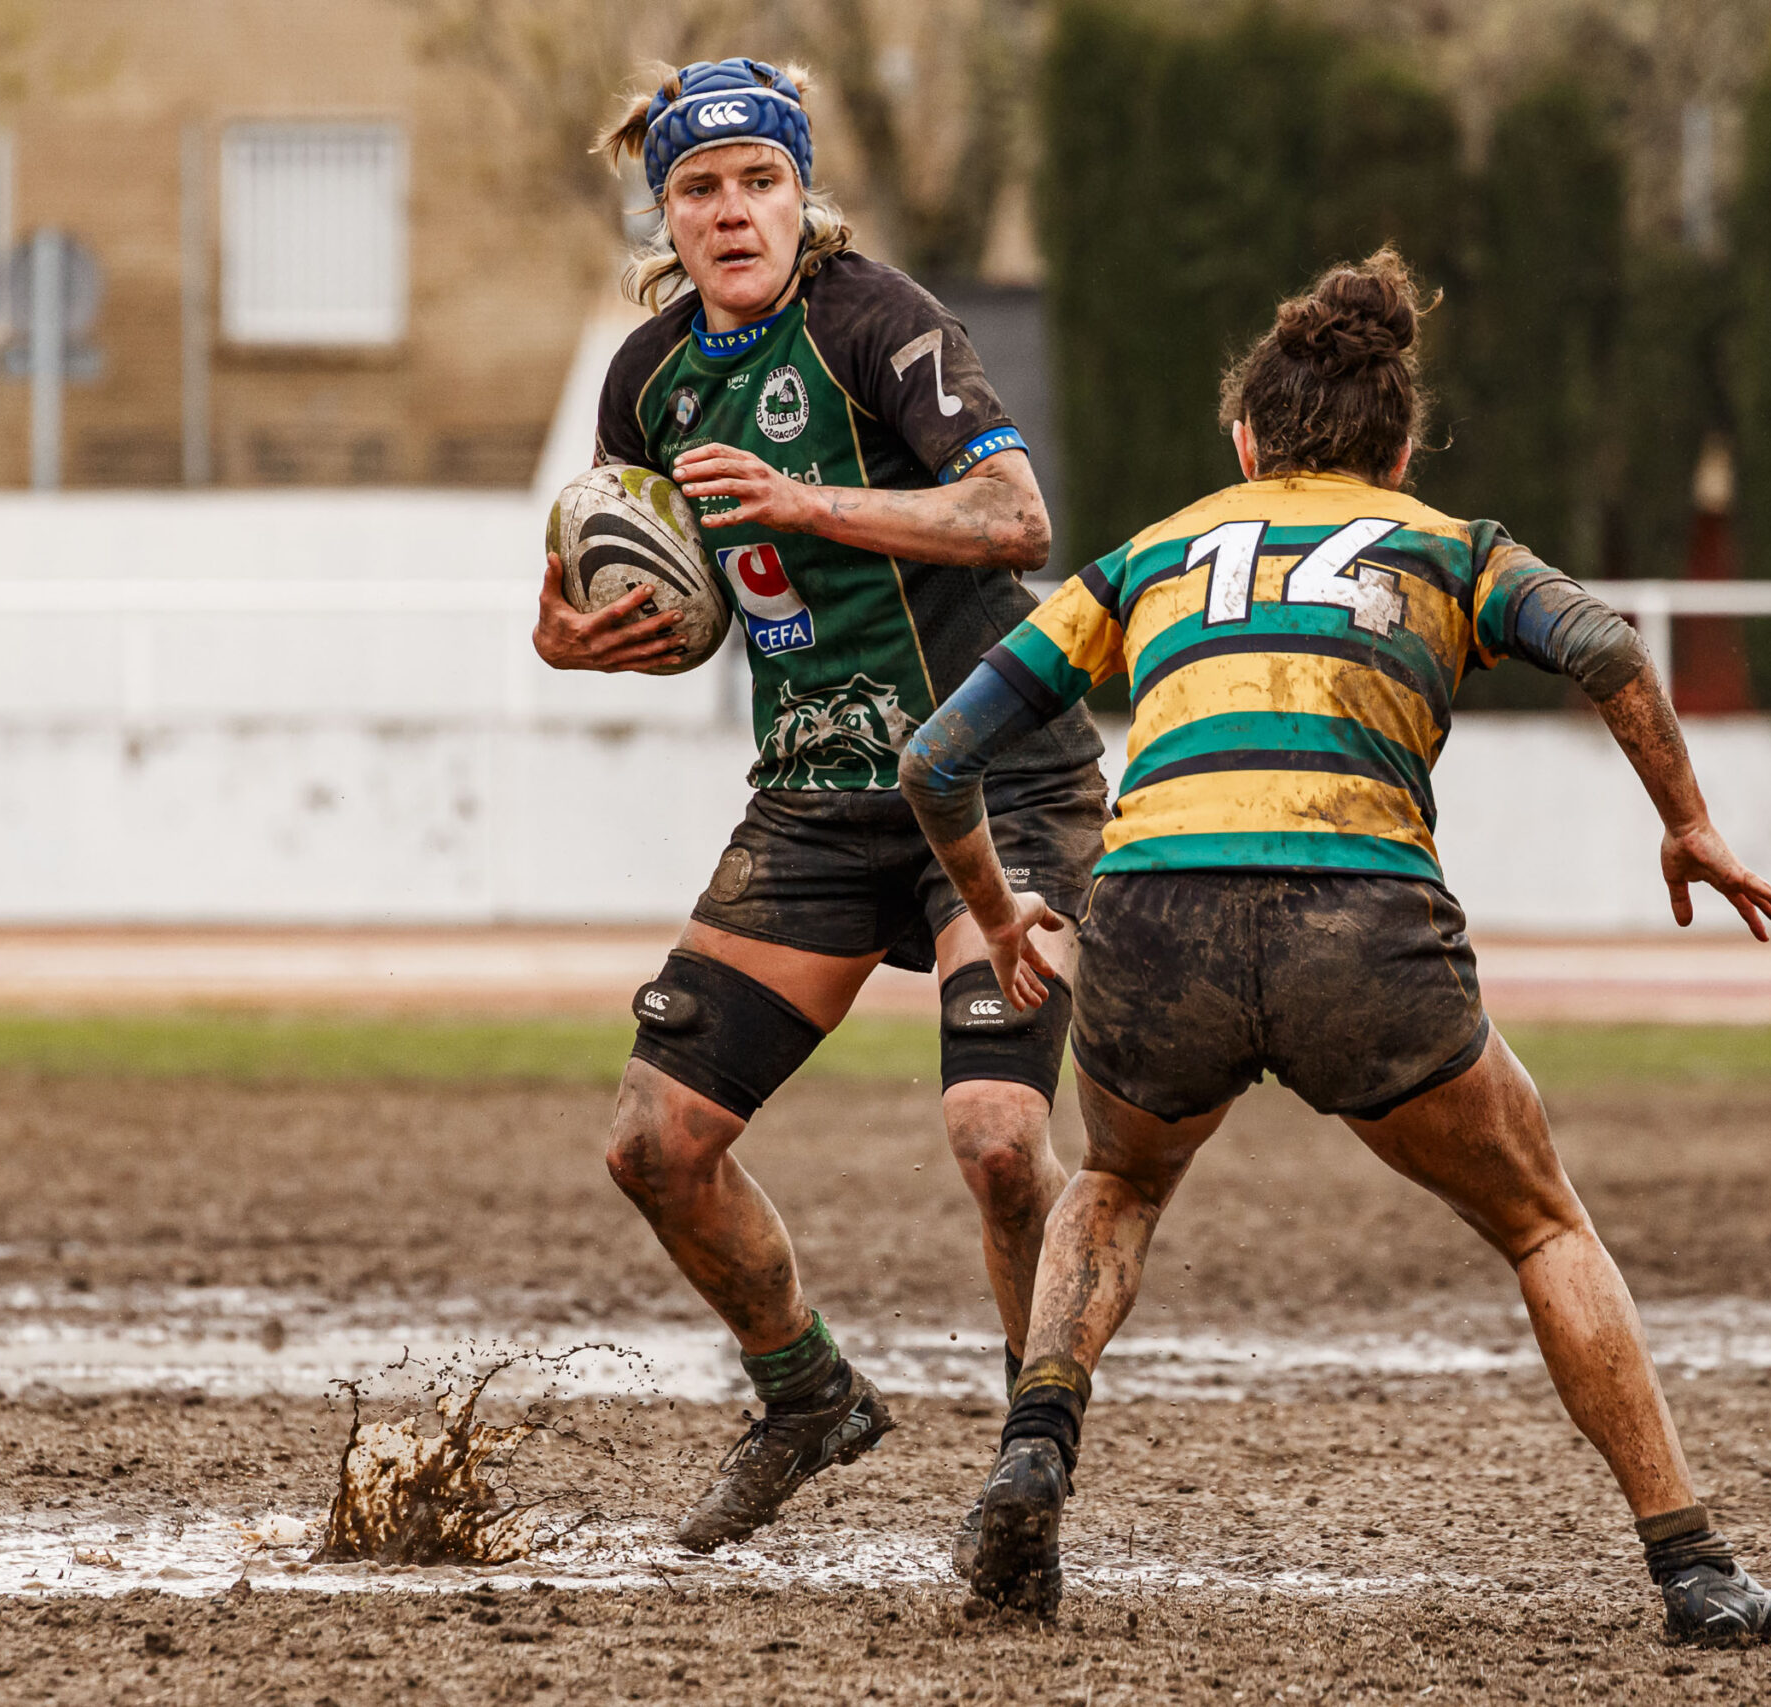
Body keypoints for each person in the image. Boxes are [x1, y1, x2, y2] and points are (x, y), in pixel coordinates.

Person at [897, 248, 1771, 1644]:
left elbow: (938, 755)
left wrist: (1002, 904)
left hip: (1153, 917)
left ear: (1245, 440)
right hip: (1356, 921)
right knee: (1539, 1215)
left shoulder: (1148, 553)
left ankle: (1036, 1437)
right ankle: (1690, 1567)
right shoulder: (1451, 545)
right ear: (1396, 451)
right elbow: (1610, 647)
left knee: (1122, 1180)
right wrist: (1688, 825)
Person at [533, 57, 1109, 1554]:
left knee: (995, 1135)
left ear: (803, 193)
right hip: (813, 803)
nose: (732, 212)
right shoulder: (646, 378)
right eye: (700, 188)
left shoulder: (879, 323)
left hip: (996, 781)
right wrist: (578, 627)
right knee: (653, 1143)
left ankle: (1025, 1468)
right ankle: (809, 1398)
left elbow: (1015, 517)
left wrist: (807, 504)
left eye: (759, 182)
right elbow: (628, 587)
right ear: (665, 208)